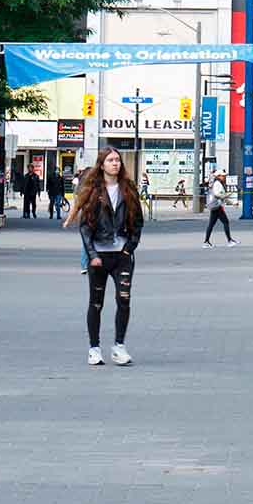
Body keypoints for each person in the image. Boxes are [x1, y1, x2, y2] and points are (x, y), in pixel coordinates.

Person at [73, 146, 145, 367]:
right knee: (96, 302)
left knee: (124, 299)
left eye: (118, 160)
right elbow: (84, 227)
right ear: (102, 164)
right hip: (99, 257)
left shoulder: (128, 189)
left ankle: (119, 346)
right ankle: (94, 349)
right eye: (111, 160)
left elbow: (138, 221)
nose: (116, 163)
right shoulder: (93, 191)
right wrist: (92, 254)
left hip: (122, 255)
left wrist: (129, 248)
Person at [203, 178, 235, 245]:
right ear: (219, 176)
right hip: (217, 206)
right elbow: (218, 195)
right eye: (223, 176)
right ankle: (229, 240)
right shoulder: (217, 184)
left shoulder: (215, 183)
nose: (224, 177)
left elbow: (221, 196)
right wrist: (228, 195)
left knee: (211, 224)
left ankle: (206, 241)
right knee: (225, 222)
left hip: (214, 206)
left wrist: (231, 202)